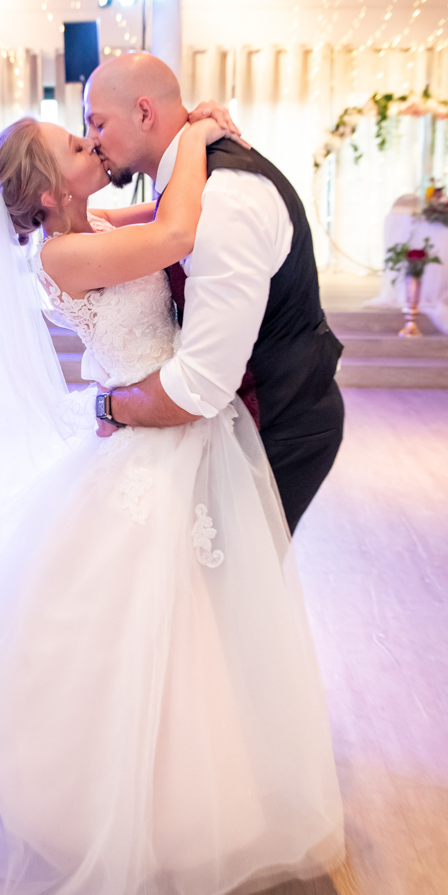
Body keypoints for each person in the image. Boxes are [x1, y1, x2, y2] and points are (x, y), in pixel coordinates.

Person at [0, 109, 344, 895]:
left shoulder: (91, 224)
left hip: (172, 430)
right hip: (147, 430)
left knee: (184, 616)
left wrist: (183, 138)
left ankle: (185, 784)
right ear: (51, 191)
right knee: (133, 618)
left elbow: (156, 212)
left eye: (90, 131)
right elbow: (176, 232)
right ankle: (101, 805)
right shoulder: (62, 255)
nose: (91, 145)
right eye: (74, 144)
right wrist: (193, 138)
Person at [85, 53, 345, 535]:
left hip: (282, 424)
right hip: (230, 418)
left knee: (224, 577)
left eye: (97, 123)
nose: (90, 140)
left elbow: (201, 383)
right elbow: (152, 221)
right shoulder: (190, 183)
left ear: (144, 113)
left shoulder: (225, 198)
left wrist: (108, 407)